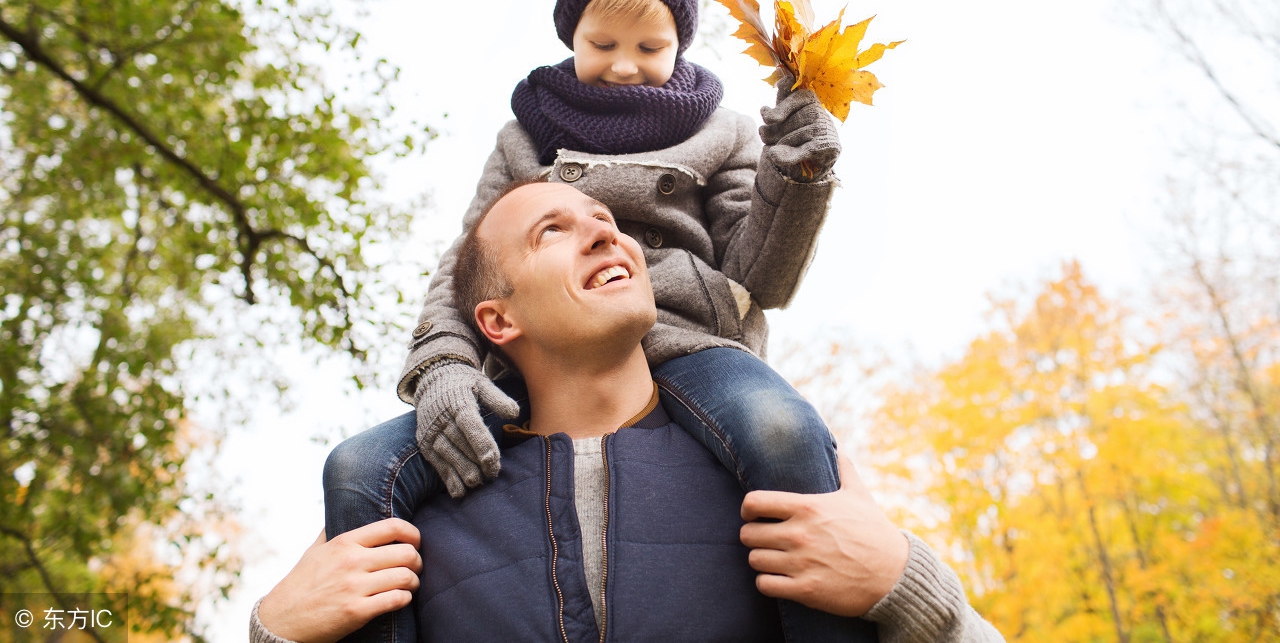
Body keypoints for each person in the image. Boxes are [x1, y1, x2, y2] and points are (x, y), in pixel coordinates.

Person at [325, 0, 848, 641]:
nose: (626, 63)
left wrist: (797, 175)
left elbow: (762, 272)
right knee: (357, 467)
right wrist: (444, 364)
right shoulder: (528, 134)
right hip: (543, 346)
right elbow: (468, 266)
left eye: (651, 45)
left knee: (783, 427)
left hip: (692, 343)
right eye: (602, 42)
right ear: (570, 31)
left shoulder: (720, 129)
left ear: (682, 42)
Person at [251, 182, 1004, 643]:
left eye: (604, 218)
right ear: (497, 320)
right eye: (554, 229)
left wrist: (909, 589)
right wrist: (273, 632)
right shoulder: (410, 525)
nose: (606, 231)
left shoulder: (784, 483)